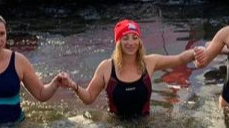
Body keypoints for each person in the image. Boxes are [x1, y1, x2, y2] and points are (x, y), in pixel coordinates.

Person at [67, 20, 199, 119]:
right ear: (118, 42)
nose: (131, 43)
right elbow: (89, 98)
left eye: (135, 38)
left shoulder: (149, 62)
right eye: (125, 38)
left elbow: (180, 59)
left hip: (145, 124)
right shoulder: (106, 67)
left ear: (139, 41)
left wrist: (196, 53)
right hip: (115, 127)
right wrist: (74, 86)